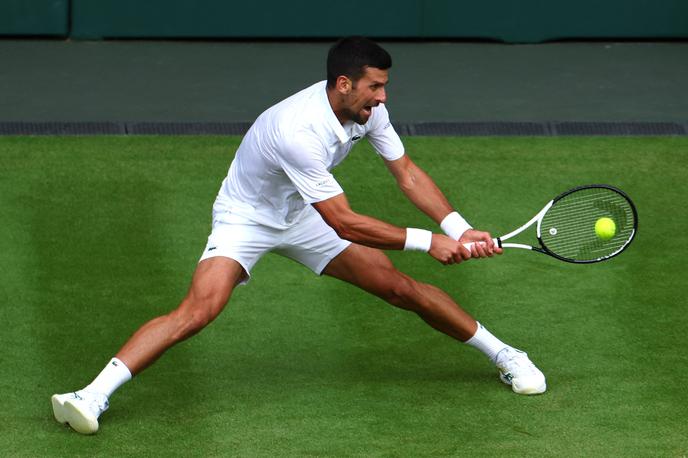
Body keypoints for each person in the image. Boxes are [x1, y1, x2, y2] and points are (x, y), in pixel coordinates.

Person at [51, 36, 546, 435]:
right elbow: (344, 222)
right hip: (248, 216)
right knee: (198, 310)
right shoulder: (298, 129)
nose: (383, 96)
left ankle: (506, 355)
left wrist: (458, 229)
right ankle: (90, 395)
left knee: (399, 287)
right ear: (344, 83)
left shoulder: (368, 112)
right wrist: (428, 241)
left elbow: (408, 174)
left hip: (303, 212)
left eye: (385, 86)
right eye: (375, 86)